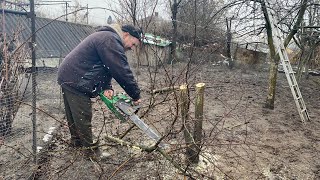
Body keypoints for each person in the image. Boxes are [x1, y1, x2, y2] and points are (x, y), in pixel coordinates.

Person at [57, 24, 142, 159]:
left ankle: (77, 142)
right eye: (133, 44)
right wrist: (135, 94)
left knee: (73, 114)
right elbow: (121, 70)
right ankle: (91, 152)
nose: (132, 48)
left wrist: (107, 86)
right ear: (126, 35)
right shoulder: (110, 40)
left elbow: (105, 66)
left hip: (69, 75)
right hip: (75, 78)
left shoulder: (107, 38)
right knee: (82, 115)